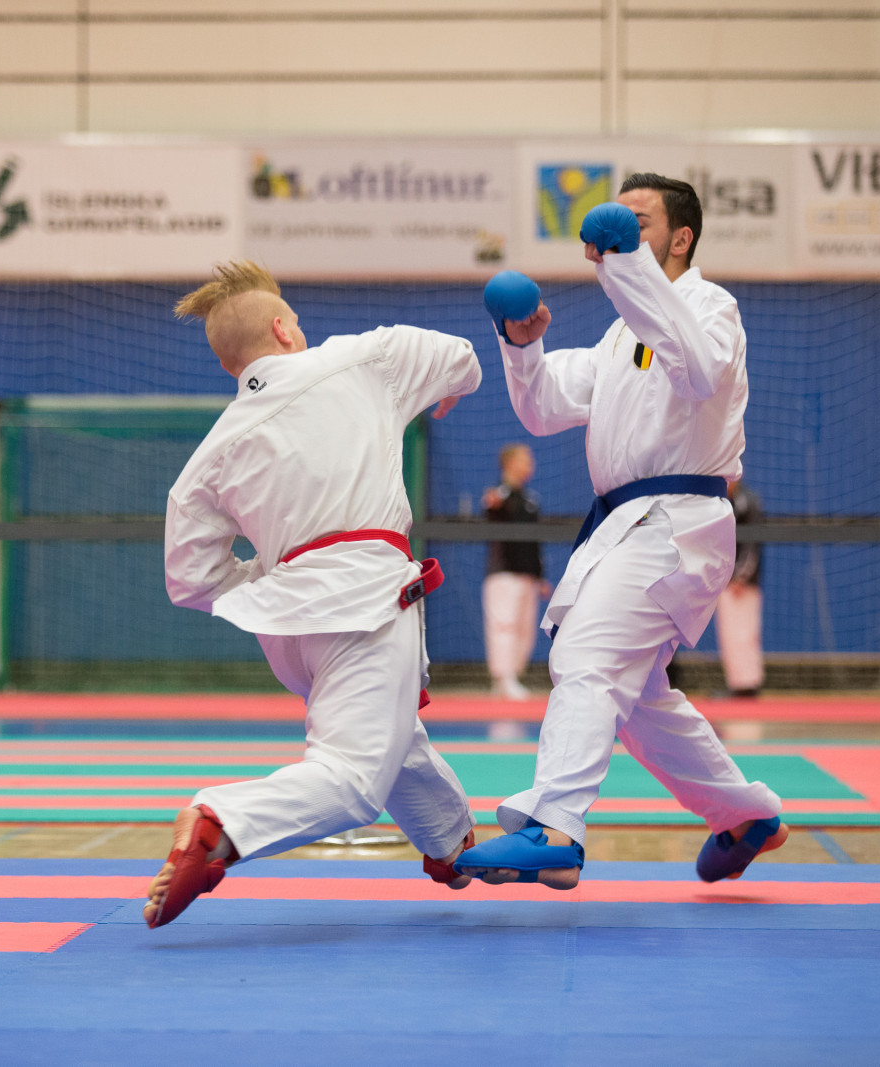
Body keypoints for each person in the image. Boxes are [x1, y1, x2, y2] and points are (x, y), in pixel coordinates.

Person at [456, 174, 786, 889]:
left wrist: (626, 265)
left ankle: (555, 826)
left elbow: (697, 371)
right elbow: (544, 408)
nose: (621, 234)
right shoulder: (618, 335)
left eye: (639, 222)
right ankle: (744, 815)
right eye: (616, 222)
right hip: (629, 524)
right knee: (638, 703)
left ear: (681, 238)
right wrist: (522, 347)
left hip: (678, 520)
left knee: (588, 654)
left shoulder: (711, 307)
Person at [144, 260, 482, 928]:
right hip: (362, 595)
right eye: (295, 320)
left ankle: (449, 841)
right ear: (283, 329)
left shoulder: (214, 449)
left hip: (288, 627)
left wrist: (270, 581)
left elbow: (189, 579)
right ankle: (221, 820)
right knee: (352, 778)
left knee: (387, 727)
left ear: (228, 364)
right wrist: (450, 390)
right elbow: (463, 358)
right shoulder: (362, 358)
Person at [481, 443, 552, 699]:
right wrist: (493, 502)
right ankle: (503, 678)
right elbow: (491, 506)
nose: (531, 464)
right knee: (504, 626)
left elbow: (535, 543)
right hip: (503, 574)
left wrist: (540, 576)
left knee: (524, 631)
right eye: (526, 459)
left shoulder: (531, 500)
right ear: (511, 464)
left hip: (528, 577)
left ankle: (512, 677)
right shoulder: (499, 494)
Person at [716, 479, 765, 697]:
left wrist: (741, 578)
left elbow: (752, 546)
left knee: (744, 633)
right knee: (730, 634)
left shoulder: (748, 502)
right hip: (727, 580)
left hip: (742, 583)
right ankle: (738, 683)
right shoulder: (725, 502)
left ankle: (747, 684)